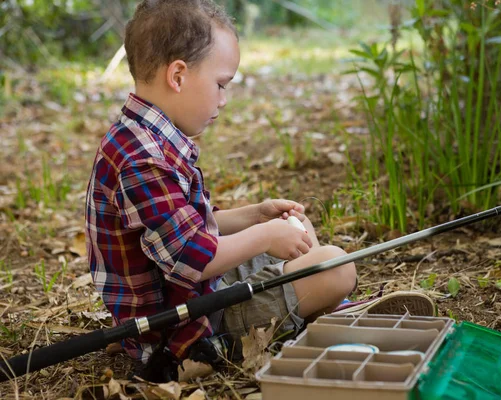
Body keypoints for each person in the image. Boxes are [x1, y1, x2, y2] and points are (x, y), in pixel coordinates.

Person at [85, 0, 433, 382]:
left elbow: (181, 230)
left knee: (297, 228)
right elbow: (191, 258)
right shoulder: (143, 160)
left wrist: (256, 215)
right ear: (178, 76)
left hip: (195, 292)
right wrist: (265, 236)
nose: (223, 99)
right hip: (183, 326)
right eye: (220, 84)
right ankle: (334, 313)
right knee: (335, 266)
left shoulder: (143, 137)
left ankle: (333, 311)